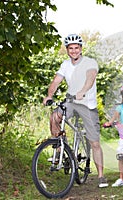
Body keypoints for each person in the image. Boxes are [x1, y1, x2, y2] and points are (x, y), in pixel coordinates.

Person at [43, 34, 109, 188]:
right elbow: (56, 81)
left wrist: (83, 90)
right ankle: (60, 146)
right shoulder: (65, 65)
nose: (74, 51)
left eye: (76, 48)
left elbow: (90, 77)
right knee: (54, 117)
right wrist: (49, 95)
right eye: (70, 48)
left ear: (81, 49)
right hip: (71, 102)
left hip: (87, 104)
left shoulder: (90, 62)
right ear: (67, 50)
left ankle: (100, 176)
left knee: (94, 142)